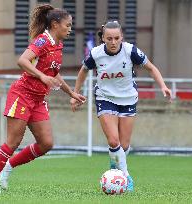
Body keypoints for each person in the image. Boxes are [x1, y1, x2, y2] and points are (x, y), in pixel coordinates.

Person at [0, 4, 86, 193]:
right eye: (67, 25)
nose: (70, 29)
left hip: (38, 99)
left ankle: (9, 165)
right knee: (13, 142)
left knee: (46, 143)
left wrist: (71, 93)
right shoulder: (42, 41)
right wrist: (42, 76)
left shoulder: (58, 44)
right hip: (21, 95)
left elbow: (54, 73)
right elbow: (22, 60)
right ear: (55, 24)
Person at [70, 21, 172, 192]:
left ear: (121, 37)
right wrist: (75, 94)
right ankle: (125, 175)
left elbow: (151, 68)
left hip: (128, 99)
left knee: (123, 146)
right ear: (103, 38)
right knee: (113, 140)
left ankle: (115, 162)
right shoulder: (95, 54)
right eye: (109, 38)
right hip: (105, 98)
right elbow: (83, 71)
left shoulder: (130, 51)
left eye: (117, 38)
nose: (113, 42)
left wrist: (163, 86)